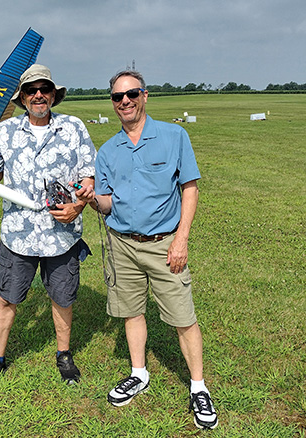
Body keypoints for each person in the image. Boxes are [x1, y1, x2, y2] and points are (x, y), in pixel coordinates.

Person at [76, 70, 218, 430]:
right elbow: (107, 205)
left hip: (164, 244)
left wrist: (181, 238)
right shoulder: (107, 151)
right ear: (111, 103)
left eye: (131, 94)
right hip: (122, 245)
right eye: (117, 97)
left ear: (145, 95)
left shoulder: (174, 136)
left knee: (183, 317)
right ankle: (139, 373)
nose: (124, 101)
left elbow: (189, 187)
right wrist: (92, 198)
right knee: (131, 312)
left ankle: (198, 386)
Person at [0, 64, 97, 390]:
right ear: (22, 98)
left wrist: (79, 204)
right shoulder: (7, 130)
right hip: (18, 235)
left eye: (44, 89)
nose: (38, 95)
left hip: (62, 235)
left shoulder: (73, 127)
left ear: (54, 95)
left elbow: (89, 174)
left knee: (63, 298)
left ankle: (64, 355)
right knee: (7, 298)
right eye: (31, 90)